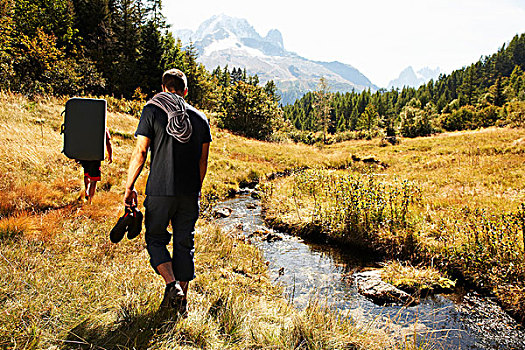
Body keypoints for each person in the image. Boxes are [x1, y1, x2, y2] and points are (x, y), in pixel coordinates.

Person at [123, 68, 211, 316]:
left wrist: (130, 187)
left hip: (160, 191)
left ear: (163, 88)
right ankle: (181, 303)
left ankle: (172, 286)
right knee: (185, 244)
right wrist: (196, 188)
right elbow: (202, 162)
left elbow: (141, 152)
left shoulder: (152, 110)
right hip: (188, 193)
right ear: (185, 91)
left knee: (155, 238)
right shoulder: (200, 118)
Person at [78, 128, 112, 204]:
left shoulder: (86, 125)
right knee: (94, 180)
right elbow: (108, 142)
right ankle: (90, 201)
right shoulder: (102, 126)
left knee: (86, 174)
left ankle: (87, 190)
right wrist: (110, 155)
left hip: (84, 155)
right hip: (96, 157)